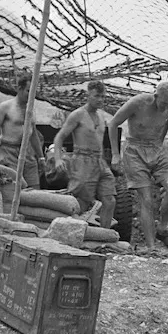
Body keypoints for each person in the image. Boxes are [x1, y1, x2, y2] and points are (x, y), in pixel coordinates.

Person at [108, 81, 168, 253]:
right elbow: (112, 124)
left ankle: (162, 228)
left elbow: (165, 124)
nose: (165, 107)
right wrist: (115, 154)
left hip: (156, 147)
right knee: (145, 199)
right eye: (163, 103)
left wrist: (159, 146)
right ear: (155, 97)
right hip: (134, 149)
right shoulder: (137, 103)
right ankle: (151, 247)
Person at [52, 81, 116, 228]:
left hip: (99, 161)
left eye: (102, 96)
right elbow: (60, 137)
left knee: (110, 199)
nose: (100, 99)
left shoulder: (101, 116)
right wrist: (57, 159)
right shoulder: (78, 115)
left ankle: (103, 236)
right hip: (82, 160)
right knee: (81, 201)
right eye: (96, 96)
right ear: (88, 96)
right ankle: (70, 232)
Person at [0, 74, 45, 189]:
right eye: (28, 91)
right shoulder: (6, 107)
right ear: (19, 88)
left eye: (34, 92)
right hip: (9, 152)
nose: (31, 95)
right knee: (12, 188)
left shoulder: (32, 109)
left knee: (34, 190)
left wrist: (41, 157)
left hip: (27, 153)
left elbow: (33, 134)